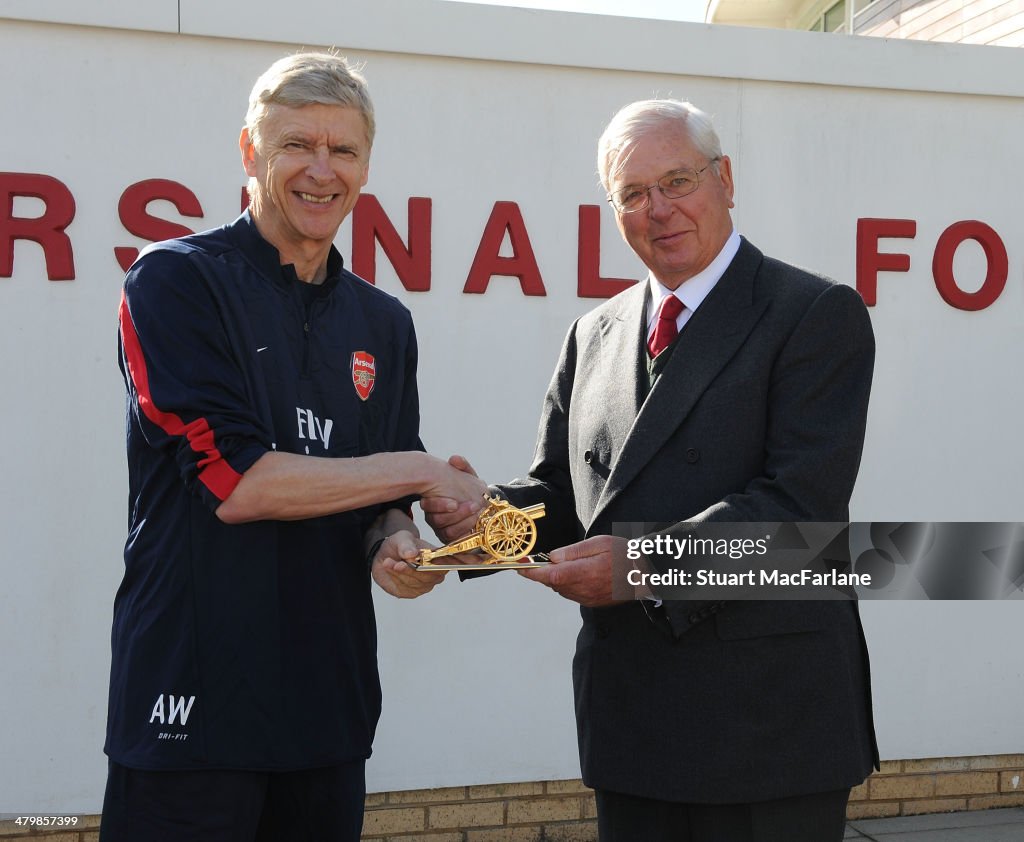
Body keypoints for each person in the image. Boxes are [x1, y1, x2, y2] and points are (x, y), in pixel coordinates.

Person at [427, 99, 878, 842]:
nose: (658, 209)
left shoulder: (813, 313)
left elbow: (799, 518)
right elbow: (566, 501)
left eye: (677, 181)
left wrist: (641, 567)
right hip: (633, 722)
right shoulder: (592, 334)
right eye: (633, 194)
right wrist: (480, 522)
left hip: (766, 731)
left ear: (725, 180)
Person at [101, 52, 486, 842]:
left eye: (342, 150)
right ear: (250, 152)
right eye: (295, 146)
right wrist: (420, 472)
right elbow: (238, 485)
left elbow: (377, 502)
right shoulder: (174, 282)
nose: (321, 171)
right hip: (191, 712)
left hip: (326, 714)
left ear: (366, 165)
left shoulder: (384, 323)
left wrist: (402, 546)